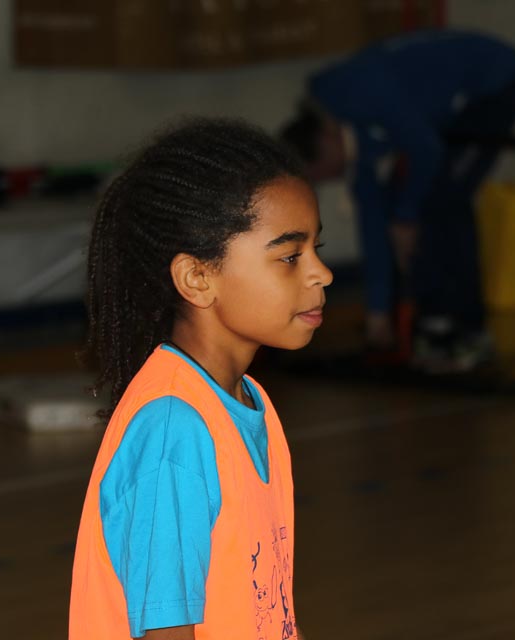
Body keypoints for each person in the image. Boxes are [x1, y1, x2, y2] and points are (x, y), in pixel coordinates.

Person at [69, 118, 331, 639]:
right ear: (197, 278)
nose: (320, 273)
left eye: (315, 250)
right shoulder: (175, 430)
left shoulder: (249, 402)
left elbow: (266, 607)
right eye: (289, 256)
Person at [280, 29, 515, 370]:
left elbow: (427, 149)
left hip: (498, 80)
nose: (329, 180)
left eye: (321, 175)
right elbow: (372, 222)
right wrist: (378, 316)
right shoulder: (347, 131)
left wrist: (405, 217)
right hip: (451, 100)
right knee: (414, 200)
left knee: (442, 199)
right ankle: (433, 320)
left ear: (325, 143)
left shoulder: (357, 95)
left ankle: (470, 331)